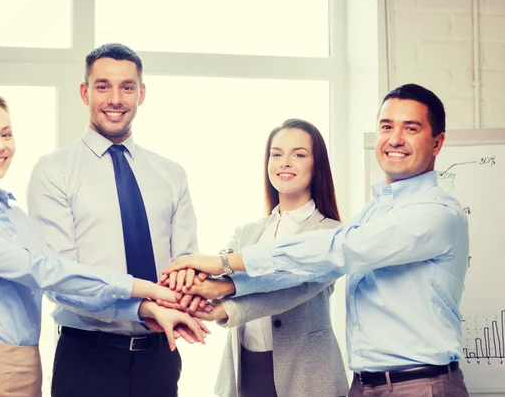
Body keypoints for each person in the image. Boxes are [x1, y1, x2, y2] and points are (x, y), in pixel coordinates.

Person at [165, 83, 470, 396]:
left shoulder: (435, 213)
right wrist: (205, 286)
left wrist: (225, 271)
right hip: (366, 384)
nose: (395, 138)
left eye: (411, 128)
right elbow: (293, 270)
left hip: (416, 385)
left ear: (437, 142)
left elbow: (327, 257)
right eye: (386, 126)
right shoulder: (373, 213)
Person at [0, 92, 207, 397]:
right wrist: (149, 289)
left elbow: (67, 283)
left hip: (29, 362)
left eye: (6, 134)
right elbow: (46, 271)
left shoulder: (13, 214)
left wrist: (144, 309)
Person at [27, 43, 202, 397]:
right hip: (88, 358)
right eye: (103, 86)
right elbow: (62, 280)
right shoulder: (54, 171)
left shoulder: (171, 174)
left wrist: (197, 291)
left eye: (127, 87)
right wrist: (143, 305)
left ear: (141, 93)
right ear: (84, 91)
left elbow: (185, 263)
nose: (115, 99)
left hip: (161, 357)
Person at [169, 119, 349, 396]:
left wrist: (226, 307)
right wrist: (189, 282)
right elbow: (216, 277)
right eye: (276, 154)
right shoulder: (247, 233)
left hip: (307, 377)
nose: (285, 162)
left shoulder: (332, 234)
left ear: (317, 167)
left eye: (298, 154)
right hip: (244, 373)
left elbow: (290, 288)